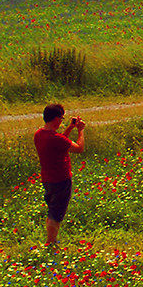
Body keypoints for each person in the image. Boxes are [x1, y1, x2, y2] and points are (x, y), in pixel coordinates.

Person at [34, 104, 85, 252]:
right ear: (56, 119)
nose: (62, 121)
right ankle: (50, 244)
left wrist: (69, 128)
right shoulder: (55, 138)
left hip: (47, 179)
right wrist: (80, 131)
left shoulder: (39, 134)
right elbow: (79, 148)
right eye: (61, 118)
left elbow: (60, 141)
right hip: (61, 179)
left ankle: (52, 240)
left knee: (52, 210)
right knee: (56, 214)